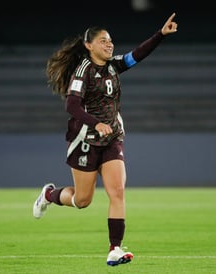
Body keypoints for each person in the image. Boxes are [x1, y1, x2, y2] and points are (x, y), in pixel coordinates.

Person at [33, 13, 178, 267]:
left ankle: (114, 249)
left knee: (117, 191)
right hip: (85, 141)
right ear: (89, 45)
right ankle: (49, 194)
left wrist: (160, 35)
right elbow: (72, 105)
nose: (109, 45)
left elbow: (137, 54)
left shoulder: (113, 65)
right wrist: (95, 123)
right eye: (103, 41)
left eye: (110, 40)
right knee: (82, 200)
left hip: (112, 138)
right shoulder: (83, 70)